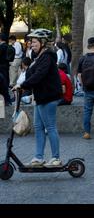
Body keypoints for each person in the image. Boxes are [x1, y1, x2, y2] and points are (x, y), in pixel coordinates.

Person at [13, 28, 63, 167]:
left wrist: (23, 85)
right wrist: (21, 85)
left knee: (50, 127)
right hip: (41, 97)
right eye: (31, 42)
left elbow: (39, 75)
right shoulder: (38, 58)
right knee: (38, 127)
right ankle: (39, 157)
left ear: (43, 42)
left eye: (34, 42)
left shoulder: (47, 57)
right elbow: (31, 75)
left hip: (49, 97)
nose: (31, 44)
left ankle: (56, 158)